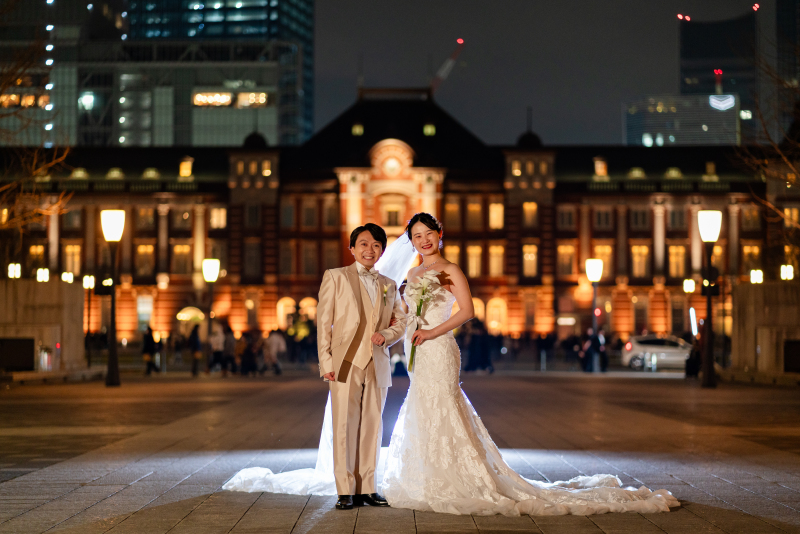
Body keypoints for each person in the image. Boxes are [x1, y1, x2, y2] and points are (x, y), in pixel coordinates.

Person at [223, 214, 679, 517]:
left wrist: (425, 332)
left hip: (436, 348)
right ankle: (365, 487)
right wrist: (398, 334)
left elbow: (464, 311)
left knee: (419, 411)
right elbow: (388, 318)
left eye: (428, 235)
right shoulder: (398, 276)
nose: (422, 241)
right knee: (395, 414)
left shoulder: (444, 271)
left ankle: (436, 477)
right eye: (415, 237)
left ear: (439, 235)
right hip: (401, 353)